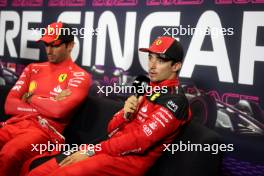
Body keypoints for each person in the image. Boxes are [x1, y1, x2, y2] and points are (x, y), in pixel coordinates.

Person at [26, 36, 191, 176]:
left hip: (128, 161)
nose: (152, 66)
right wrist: (125, 113)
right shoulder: (147, 88)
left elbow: (140, 141)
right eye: (150, 58)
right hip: (107, 147)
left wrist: (91, 151)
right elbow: (111, 128)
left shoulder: (175, 101)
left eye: (160, 60)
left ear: (176, 66)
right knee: (38, 172)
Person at [0, 22, 92, 176]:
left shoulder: (79, 75)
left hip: (46, 131)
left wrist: (30, 97)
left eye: (55, 45)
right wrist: (49, 100)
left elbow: (58, 111)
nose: (49, 50)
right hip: (18, 123)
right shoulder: (33, 68)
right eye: (46, 45)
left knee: (10, 152)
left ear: (70, 45)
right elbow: (9, 105)